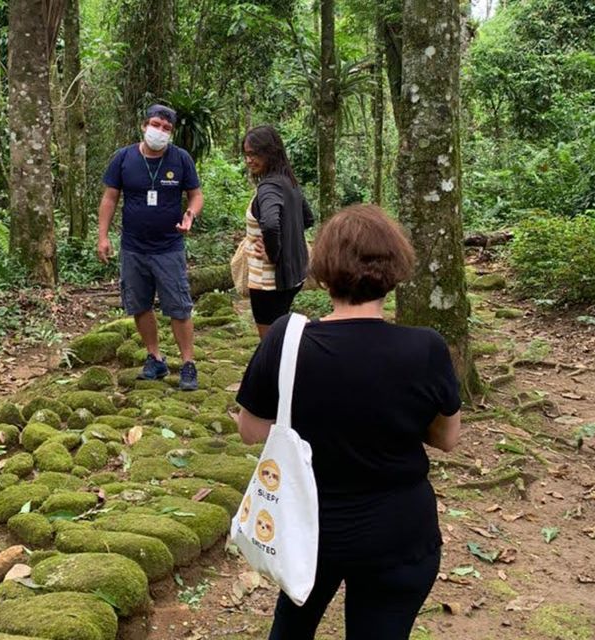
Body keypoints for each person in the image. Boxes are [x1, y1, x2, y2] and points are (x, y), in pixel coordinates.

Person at [234, 204, 462, 639]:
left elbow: (251, 429)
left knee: (290, 630)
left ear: (323, 271)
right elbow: (448, 438)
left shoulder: (287, 338)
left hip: (307, 528)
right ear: (395, 271)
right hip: (398, 533)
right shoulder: (426, 348)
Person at [97, 104, 205, 390]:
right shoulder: (123, 159)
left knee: (179, 306)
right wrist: (103, 236)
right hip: (133, 247)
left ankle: (187, 364)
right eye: (156, 125)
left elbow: (195, 195)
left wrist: (190, 215)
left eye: (167, 129)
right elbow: (110, 198)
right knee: (139, 304)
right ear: (144, 125)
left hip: (169, 247)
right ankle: (155, 357)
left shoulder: (180, 159)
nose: (160, 132)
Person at [242, 125, 314, 338]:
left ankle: (275, 371)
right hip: (293, 276)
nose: (249, 160)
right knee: (280, 332)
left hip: (268, 280)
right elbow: (307, 219)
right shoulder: (289, 181)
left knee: (269, 341)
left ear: (270, 152)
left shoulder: (269, 188)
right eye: (246, 154)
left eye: (254, 154)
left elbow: (271, 224)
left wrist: (273, 253)